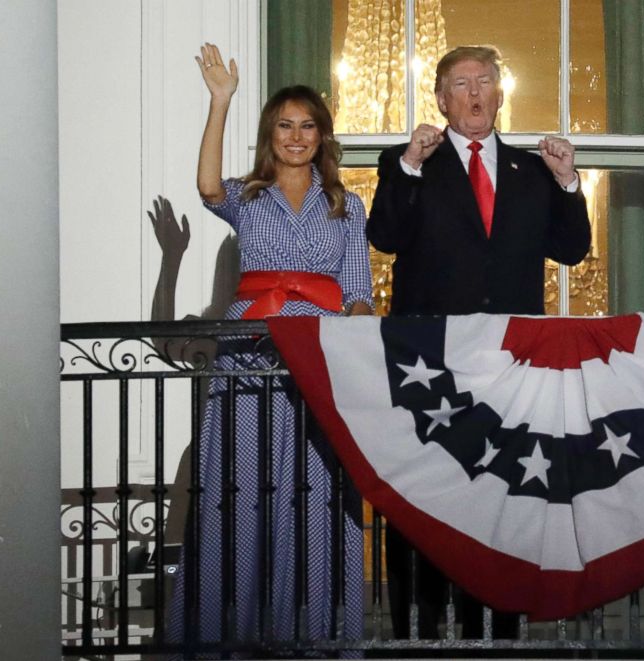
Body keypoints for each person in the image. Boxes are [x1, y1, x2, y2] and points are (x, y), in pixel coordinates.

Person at [366, 45, 592, 640]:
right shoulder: (409, 162)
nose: (473, 92)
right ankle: (416, 635)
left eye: (484, 81)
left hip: (509, 371)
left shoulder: (532, 172)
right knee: (425, 496)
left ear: (498, 95)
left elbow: (571, 249)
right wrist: (411, 164)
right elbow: (384, 235)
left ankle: (495, 637)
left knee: (501, 496)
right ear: (440, 99)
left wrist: (570, 182)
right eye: (460, 83)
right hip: (431, 372)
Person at [167, 43, 372, 651]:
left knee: (315, 497)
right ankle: (224, 636)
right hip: (248, 361)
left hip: (315, 363)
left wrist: (360, 342)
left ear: (322, 137)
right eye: (284, 125)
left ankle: (315, 636)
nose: (296, 135)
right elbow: (206, 187)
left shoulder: (345, 205)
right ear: (270, 135)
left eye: (307, 125)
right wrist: (220, 101)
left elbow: (357, 291)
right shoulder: (247, 197)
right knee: (241, 492)